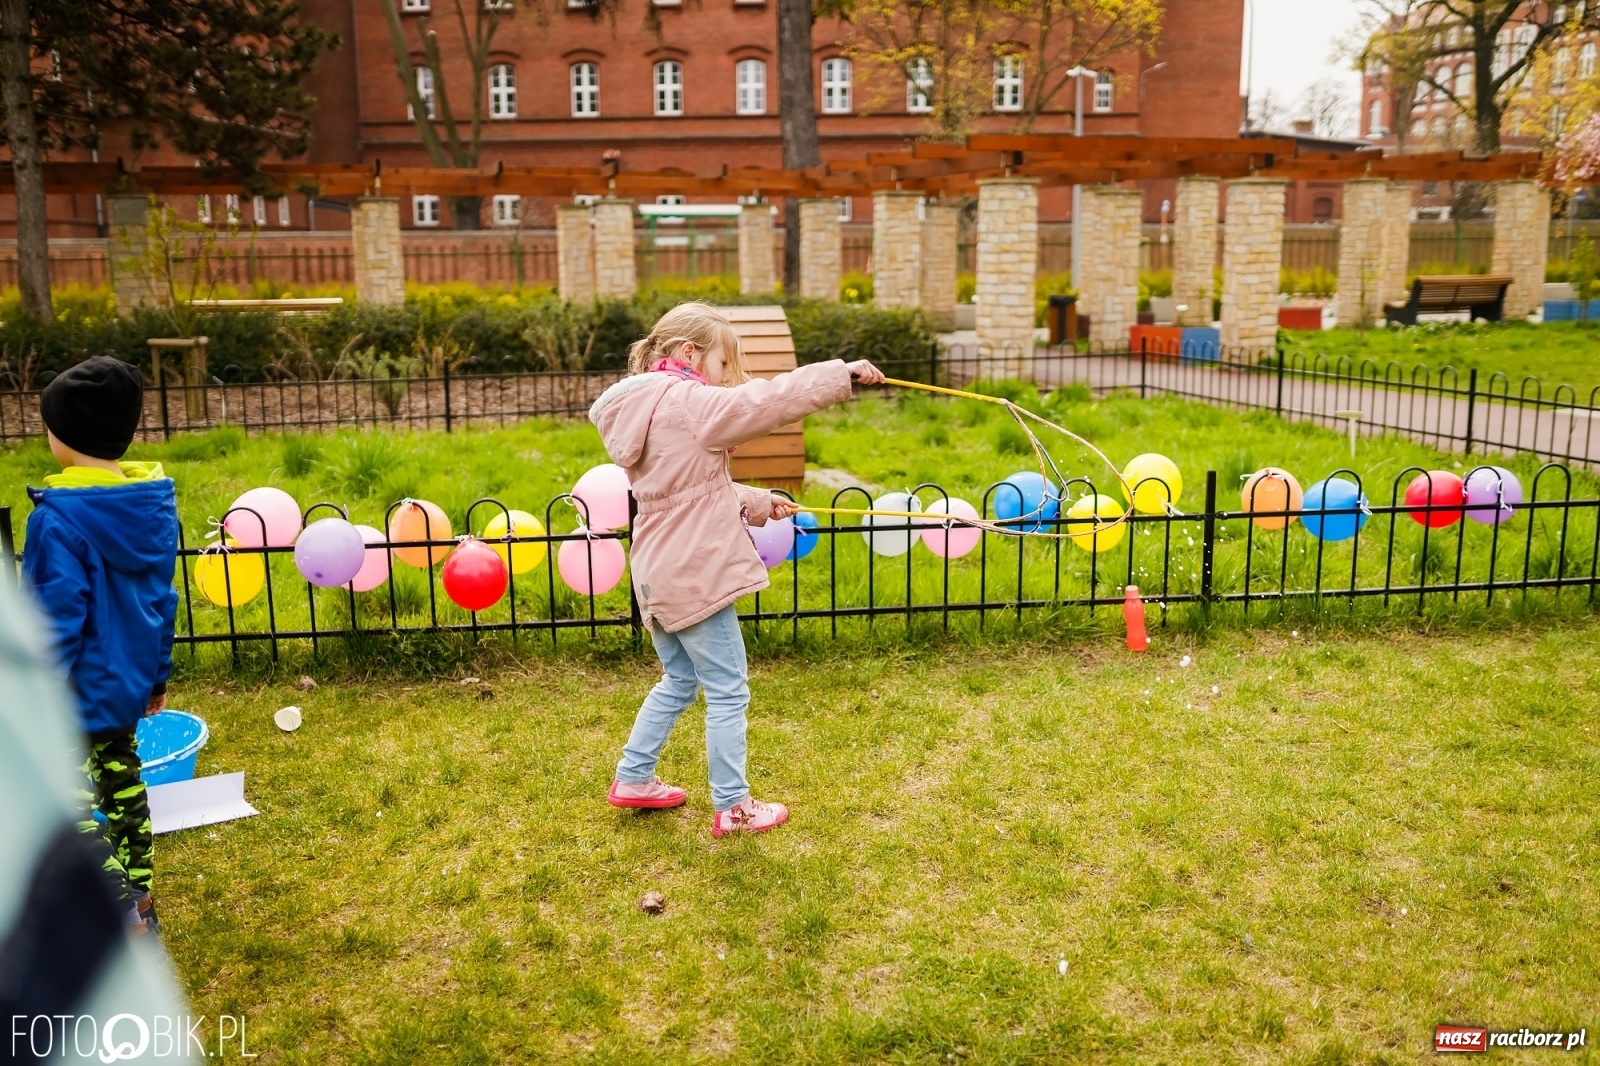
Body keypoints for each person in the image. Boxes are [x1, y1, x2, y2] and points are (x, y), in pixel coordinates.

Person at [589, 301, 883, 838]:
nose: (726, 378)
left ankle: (633, 777)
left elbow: (685, 489)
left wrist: (758, 501)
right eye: (723, 363)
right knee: (727, 688)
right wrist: (838, 374)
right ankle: (735, 806)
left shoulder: (645, 406)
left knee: (680, 679)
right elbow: (766, 401)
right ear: (689, 353)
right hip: (694, 572)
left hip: (656, 568)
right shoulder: (687, 400)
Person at [21, 356, 179, 933]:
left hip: (71, 695)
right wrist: (156, 677)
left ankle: (116, 912)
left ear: (66, 436)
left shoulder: (58, 520)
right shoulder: (150, 507)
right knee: (121, 784)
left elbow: (55, 621)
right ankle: (141, 898)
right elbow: (163, 601)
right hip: (125, 688)